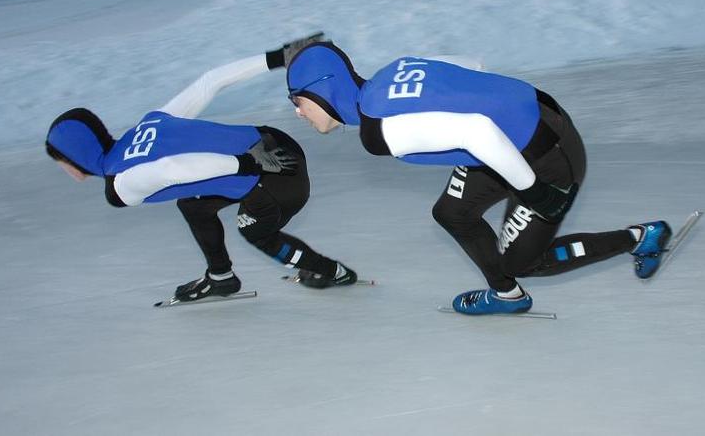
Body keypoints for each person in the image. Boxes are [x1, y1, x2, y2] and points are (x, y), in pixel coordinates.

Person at [283, 41, 672, 316]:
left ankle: (640, 238)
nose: (297, 113)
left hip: (544, 157)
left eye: (296, 100)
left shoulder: (380, 130)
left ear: (323, 91)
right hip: (529, 126)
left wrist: (535, 192)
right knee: (453, 212)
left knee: (524, 261)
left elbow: (478, 134)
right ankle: (507, 295)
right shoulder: (394, 70)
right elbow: (470, 64)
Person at [45, 36, 358, 302]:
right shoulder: (148, 123)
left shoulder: (120, 185)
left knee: (255, 232)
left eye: (61, 163)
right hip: (277, 141)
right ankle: (220, 276)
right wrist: (279, 56)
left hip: (277, 176)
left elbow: (173, 169)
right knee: (193, 205)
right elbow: (210, 80)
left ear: (75, 158)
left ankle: (331, 271)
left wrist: (246, 163)